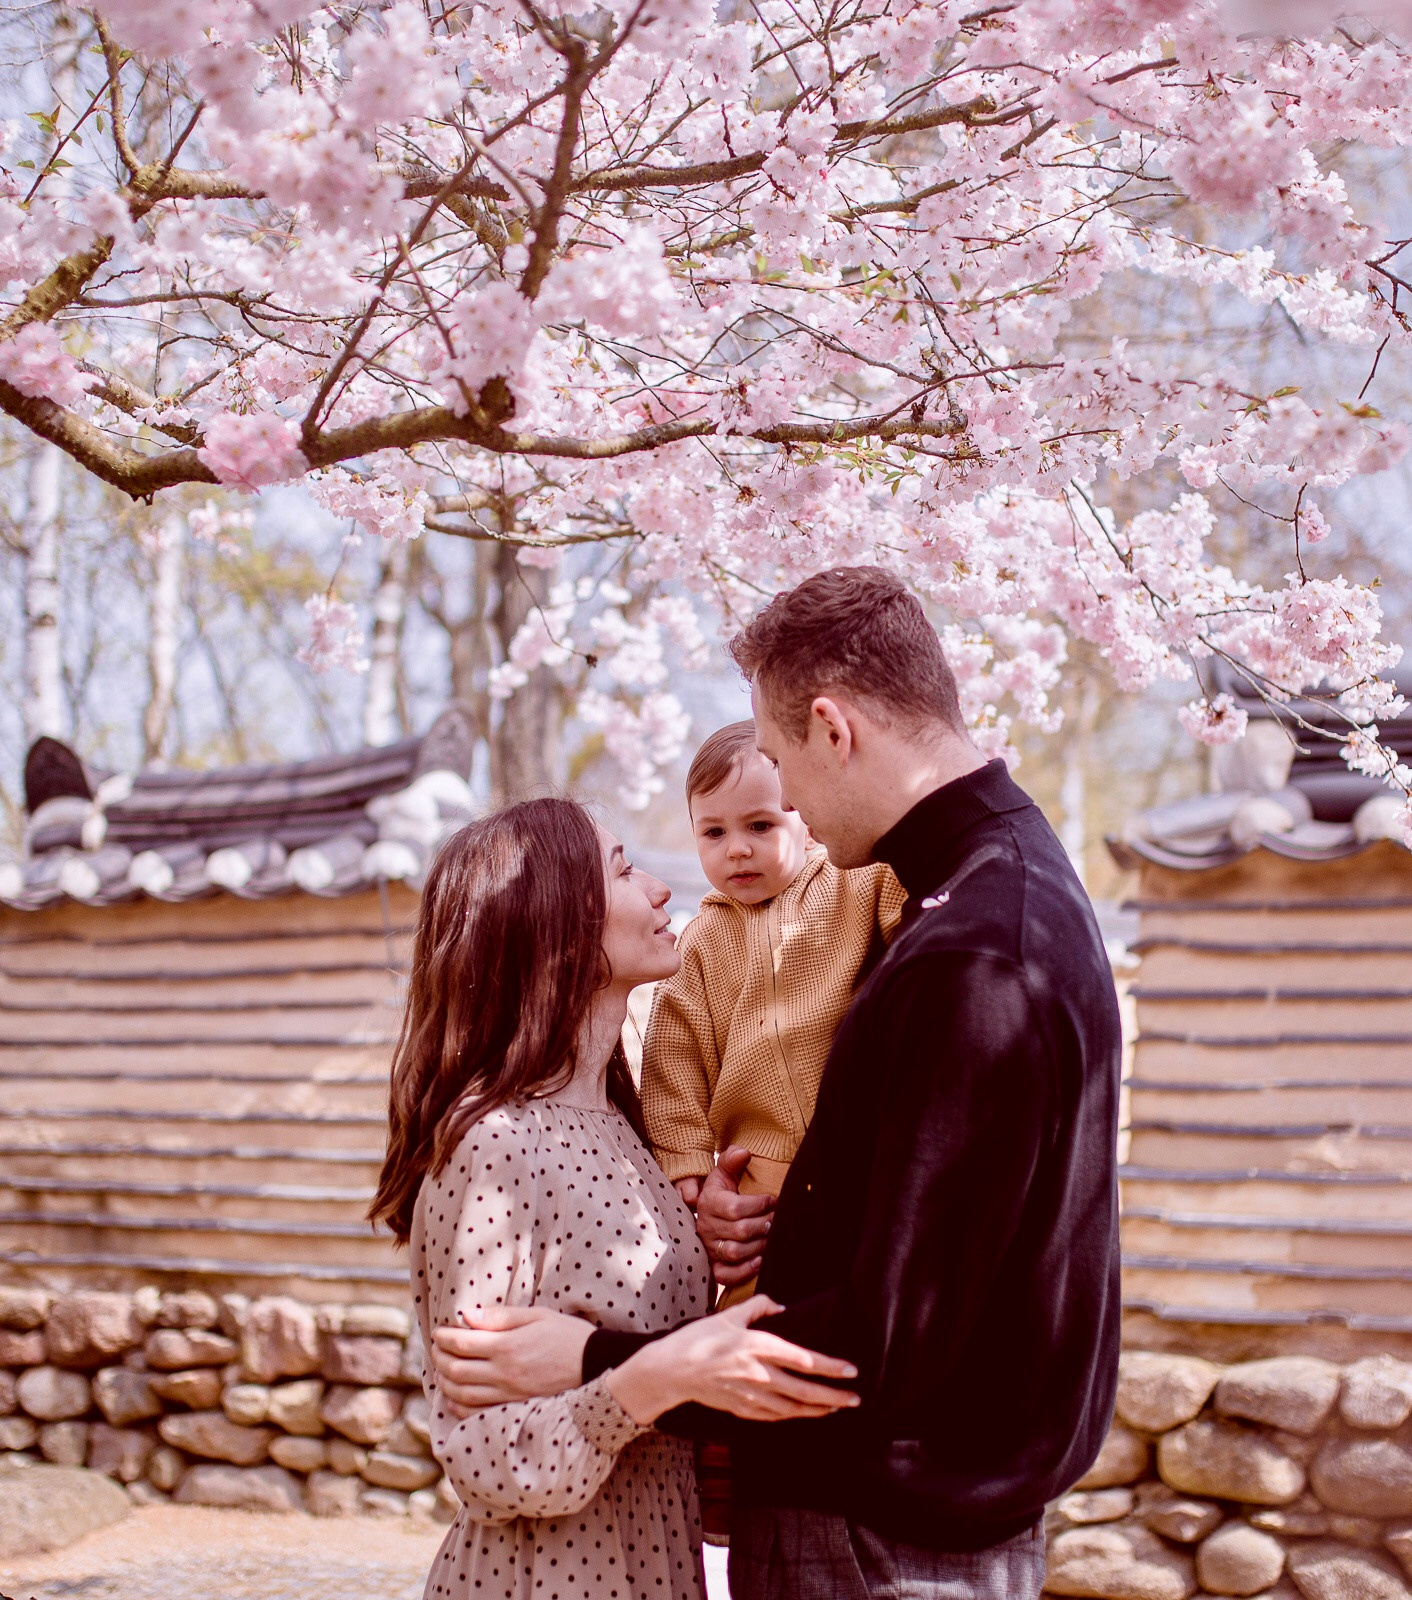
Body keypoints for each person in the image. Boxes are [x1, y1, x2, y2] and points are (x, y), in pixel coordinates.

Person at [433, 568, 1124, 1600]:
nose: (781, 800)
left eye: (779, 756)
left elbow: (874, 1346)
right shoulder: (972, 905)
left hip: (877, 1536)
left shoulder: (977, 955)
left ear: (832, 728)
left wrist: (600, 1365)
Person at [371, 798, 860, 1600]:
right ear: (557, 922)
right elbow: (483, 1458)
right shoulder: (492, 1146)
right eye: (624, 867)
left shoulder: (628, 1129)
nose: (663, 889)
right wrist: (646, 1382)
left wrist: (716, 1239)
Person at [643, 718, 905, 1300]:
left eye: (760, 825)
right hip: (760, 1173)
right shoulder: (703, 938)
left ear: (804, 818)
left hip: (864, 1150)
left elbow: (921, 938)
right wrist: (688, 1167)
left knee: (868, 1295)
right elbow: (675, 1056)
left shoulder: (858, 882)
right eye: (713, 833)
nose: (737, 848)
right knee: (760, 1302)